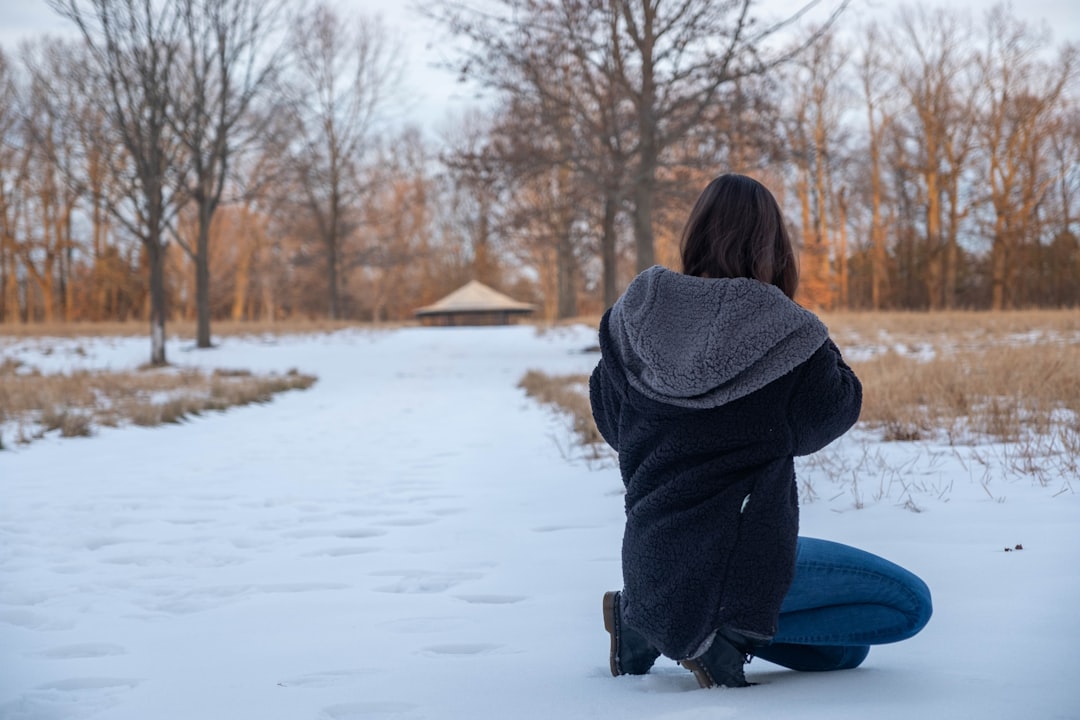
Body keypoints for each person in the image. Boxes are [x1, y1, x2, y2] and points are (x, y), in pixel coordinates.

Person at [589, 173, 932, 689]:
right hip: (739, 561)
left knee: (843, 653)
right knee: (907, 604)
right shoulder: (787, 329)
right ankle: (710, 629)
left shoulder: (634, 317)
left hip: (651, 557)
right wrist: (808, 329)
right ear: (774, 245)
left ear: (695, 234)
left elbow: (614, 424)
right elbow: (838, 410)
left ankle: (653, 620)